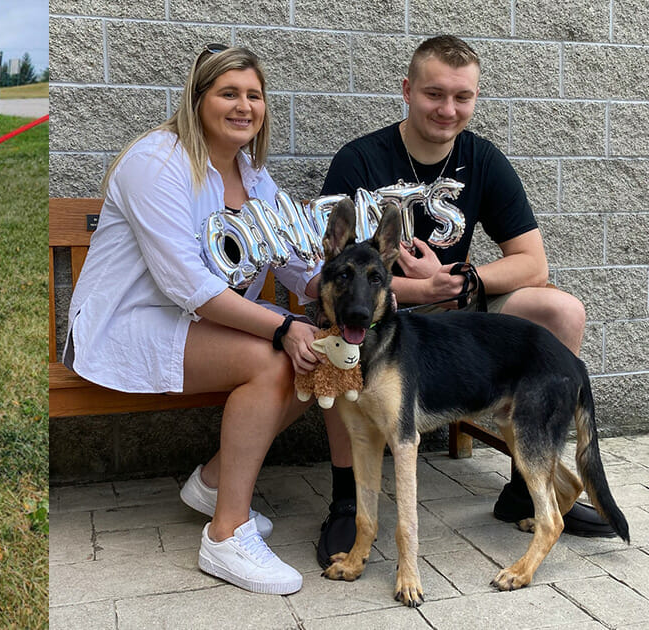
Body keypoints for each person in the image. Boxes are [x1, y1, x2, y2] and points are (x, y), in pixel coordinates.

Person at [64, 44, 356, 595]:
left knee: (322, 358)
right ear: (198, 100)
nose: (244, 105)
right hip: (128, 322)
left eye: (254, 95)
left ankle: (214, 483)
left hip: (197, 322)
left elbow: (297, 263)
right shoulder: (157, 162)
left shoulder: (253, 175)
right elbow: (186, 285)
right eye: (228, 93)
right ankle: (226, 535)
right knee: (275, 359)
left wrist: (352, 290)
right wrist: (279, 327)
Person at [318, 34, 617, 554]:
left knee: (559, 309)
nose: (448, 109)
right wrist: (417, 287)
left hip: (455, 308)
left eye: (463, 97)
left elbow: (533, 264)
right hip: (379, 312)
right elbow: (334, 270)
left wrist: (462, 280)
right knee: (341, 340)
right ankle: (347, 500)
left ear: (475, 98)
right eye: (435, 94)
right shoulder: (360, 160)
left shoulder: (482, 159)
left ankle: (527, 487)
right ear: (408, 90)